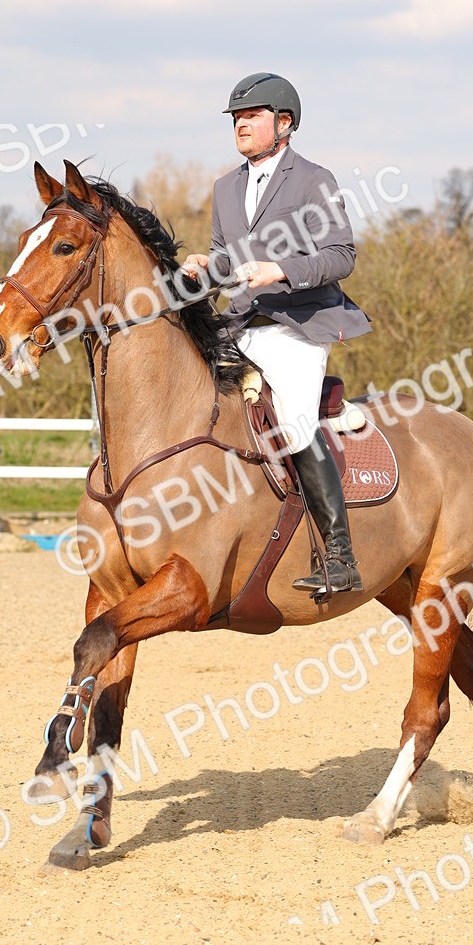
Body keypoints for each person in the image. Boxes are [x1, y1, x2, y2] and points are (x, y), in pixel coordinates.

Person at [182, 72, 372, 596]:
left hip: (297, 325)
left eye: (252, 115)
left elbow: (341, 256)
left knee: (291, 422)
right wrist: (207, 265)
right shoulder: (225, 187)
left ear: (283, 122)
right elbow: (229, 262)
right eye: (236, 117)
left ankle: (339, 555)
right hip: (240, 324)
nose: (240, 123)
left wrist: (280, 270)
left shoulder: (313, 179)